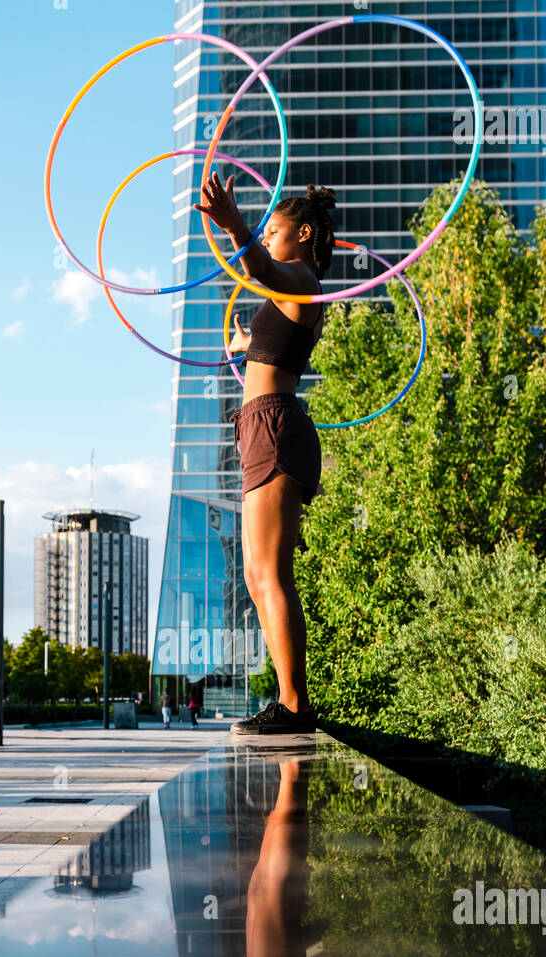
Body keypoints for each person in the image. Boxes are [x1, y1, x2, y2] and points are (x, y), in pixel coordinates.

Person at [193, 175, 336, 737]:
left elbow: (264, 270)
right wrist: (239, 345)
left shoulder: (301, 278)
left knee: (272, 574)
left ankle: (295, 705)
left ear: (302, 235)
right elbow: (263, 343)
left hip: (275, 424)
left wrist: (234, 225)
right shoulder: (286, 291)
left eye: (272, 231)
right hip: (258, 425)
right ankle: (287, 699)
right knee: (256, 575)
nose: (266, 238)